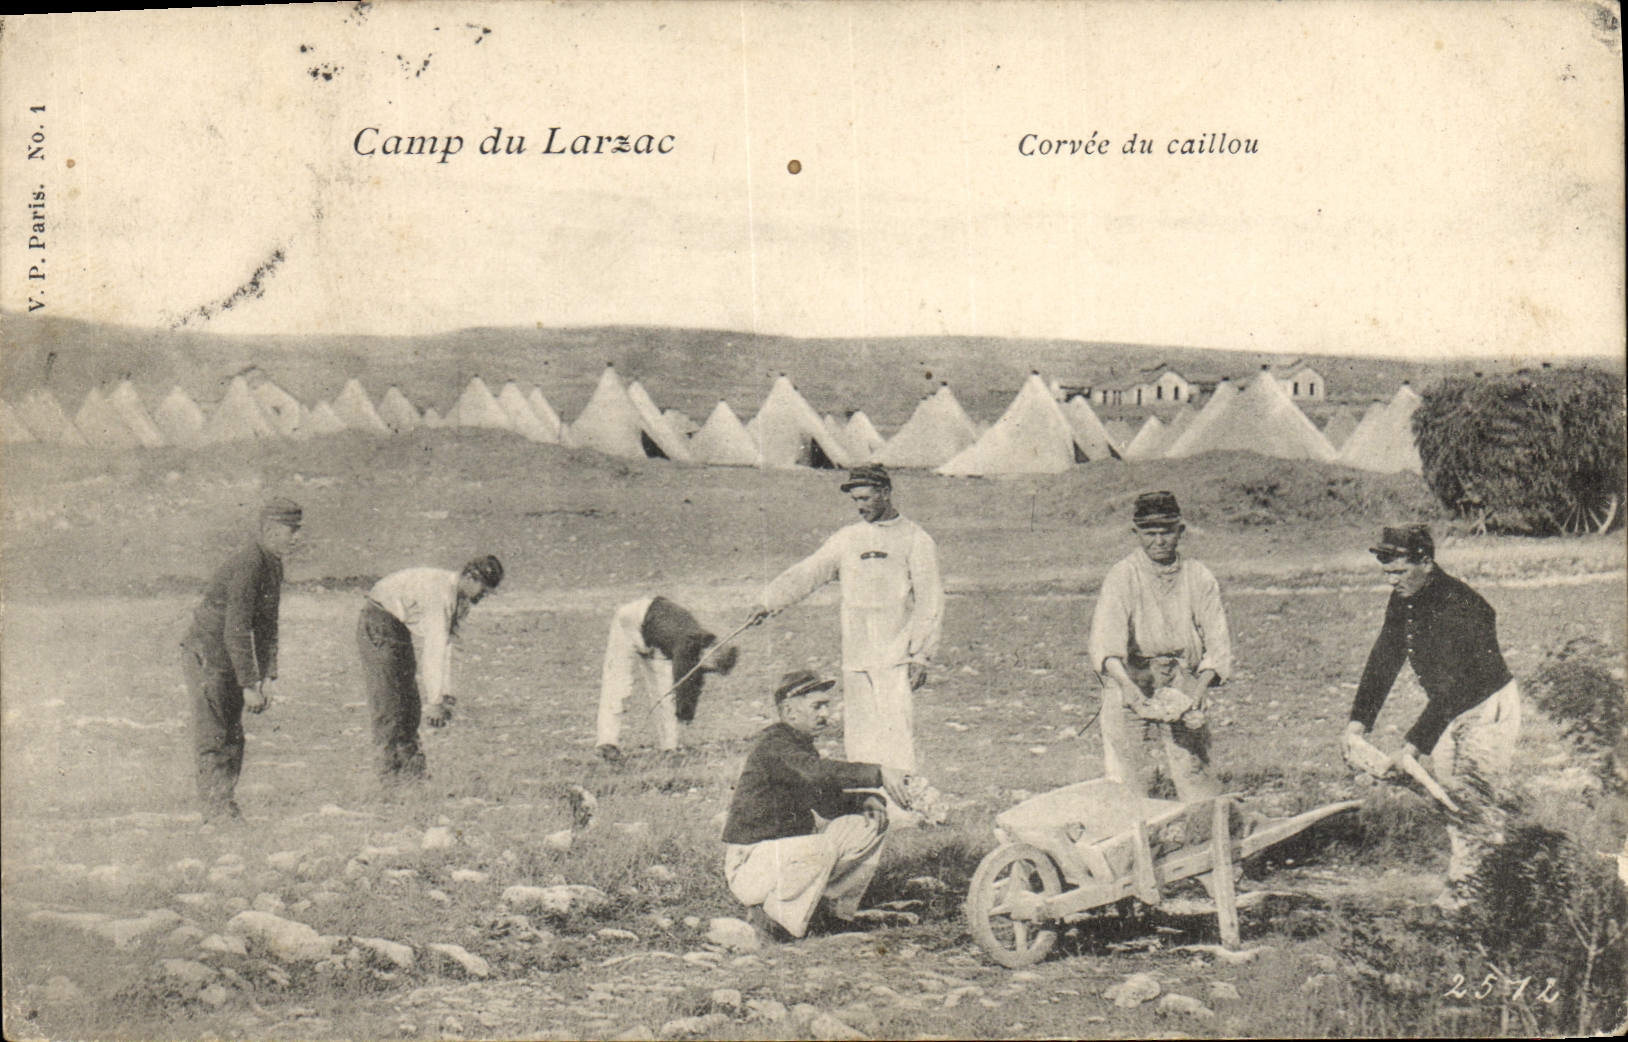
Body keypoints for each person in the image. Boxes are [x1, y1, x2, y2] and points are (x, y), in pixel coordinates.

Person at [1343, 524, 1519, 911]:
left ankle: (1487, 897)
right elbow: (1386, 655)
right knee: (1450, 798)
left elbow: (1460, 685)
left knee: (1476, 801)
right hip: (1449, 709)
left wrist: (1412, 744)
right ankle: (1467, 890)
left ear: (1425, 561)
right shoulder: (1404, 598)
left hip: (1486, 708)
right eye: (1386, 573)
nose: (1392, 581)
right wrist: (1359, 722)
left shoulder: (1461, 604)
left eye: (1399, 571)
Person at [748, 464, 943, 775]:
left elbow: (930, 601)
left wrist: (921, 655)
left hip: (895, 657)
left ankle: (902, 810)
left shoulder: (916, 539)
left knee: (895, 735)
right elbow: (809, 572)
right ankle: (867, 804)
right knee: (860, 736)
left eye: (865, 498)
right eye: (855, 500)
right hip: (856, 655)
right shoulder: (847, 538)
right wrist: (769, 602)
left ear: (886, 493)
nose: (860, 506)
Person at [722, 671, 912, 940]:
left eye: (826, 705)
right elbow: (815, 772)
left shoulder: (798, 746)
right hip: (750, 864)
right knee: (821, 846)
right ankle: (776, 924)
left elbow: (826, 804)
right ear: (789, 711)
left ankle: (830, 913)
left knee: (868, 824)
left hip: (781, 858)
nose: (826, 714)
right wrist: (879, 773)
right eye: (817, 706)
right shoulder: (774, 745)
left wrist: (866, 800)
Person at [1089, 490, 1231, 802]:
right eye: (1149, 533)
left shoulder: (1198, 575)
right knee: (1129, 776)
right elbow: (1107, 644)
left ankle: (1206, 834)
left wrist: (1197, 693)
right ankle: (1134, 839)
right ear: (1135, 533)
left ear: (1180, 531)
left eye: (1166, 532)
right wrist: (1129, 690)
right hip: (1131, 676)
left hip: (1181, 676)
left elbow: (1217, 645)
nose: (1159, 541)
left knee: (1194, 770)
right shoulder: (1123, 575)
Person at [181, 498, 302, 823]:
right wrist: (248, 684)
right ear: (270, 530)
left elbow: (266, 626)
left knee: (233, 733)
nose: (296, 538)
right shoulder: (250, 563)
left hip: (228, 654)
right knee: (215, 731)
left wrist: (267, 676)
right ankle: (216, 810)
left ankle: (225, 805)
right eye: (291, 530)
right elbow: (236, 628)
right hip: (209, 652)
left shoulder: (273, 563)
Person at [357, 555, 504, 783]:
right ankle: (387, 777)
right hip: (379, 622)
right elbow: (434, 651)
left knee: (410, 703)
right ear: (470, 577)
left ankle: (412, 774)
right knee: (389, 703)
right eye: (483, 589)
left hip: (397, 627)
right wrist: (435, 702)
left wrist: (445, 695)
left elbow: (447, 646)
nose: (483, 595)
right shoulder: (441, 595)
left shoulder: (458, 598)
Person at [595, 595, 741, 762]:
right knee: (618, 683)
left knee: (663, 692)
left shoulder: (700, 643)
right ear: (711, 653)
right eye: (711, 667)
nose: (707, 670)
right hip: (631, 621)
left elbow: (694, 677)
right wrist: (686, 713)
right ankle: (606, 742)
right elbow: (684, 681)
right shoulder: (687, 643)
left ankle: (669, 747)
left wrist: (686, 711)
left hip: (655, 636)